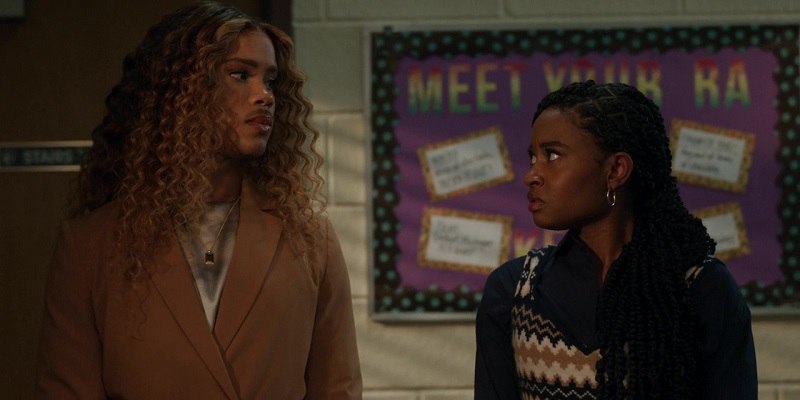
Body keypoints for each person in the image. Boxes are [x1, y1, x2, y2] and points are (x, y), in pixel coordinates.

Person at [35, 2, 362, 399]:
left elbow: (337, 389)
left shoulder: (310, 240)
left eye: (270, 81)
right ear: (180, 92)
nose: (264, 96)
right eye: (240, 75)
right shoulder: (90, 245)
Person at [474, 80, 757, 399]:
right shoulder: (513, 291)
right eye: (533, 157)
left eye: (552, 155)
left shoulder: (702, 288)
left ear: (615, 170)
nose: (532, 175)